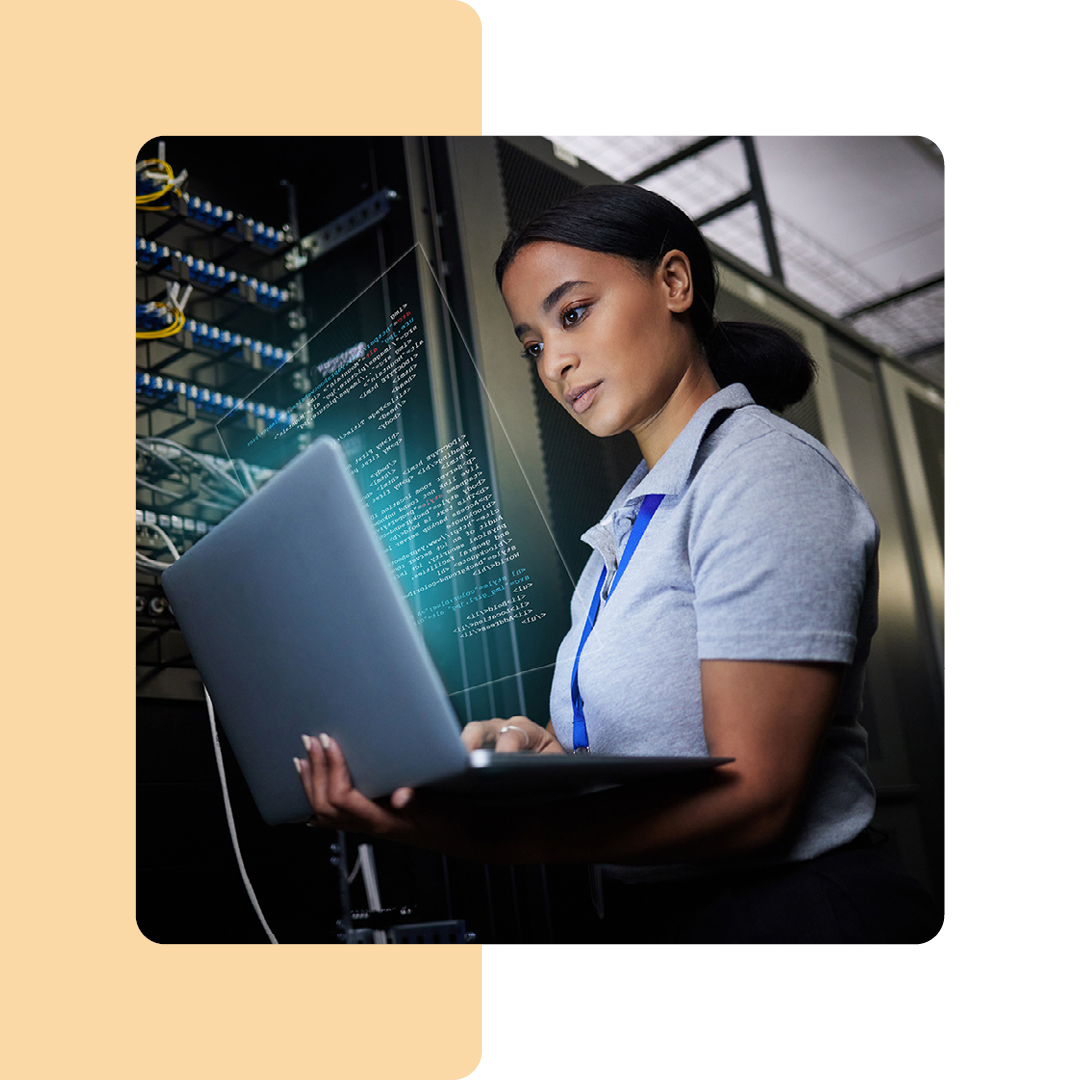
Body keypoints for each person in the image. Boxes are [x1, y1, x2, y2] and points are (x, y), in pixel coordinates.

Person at [297, 183, 942, 944]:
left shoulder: (763, 474)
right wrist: (555, 755)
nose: (555, 362)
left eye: (573, 314)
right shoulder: (629, 527)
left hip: (792, 922)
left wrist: (473, 835)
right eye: (533, 343)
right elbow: (659, 749)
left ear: (674, 282)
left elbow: (757, 799)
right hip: (668, 922)